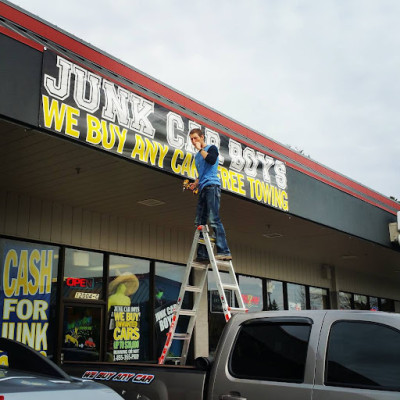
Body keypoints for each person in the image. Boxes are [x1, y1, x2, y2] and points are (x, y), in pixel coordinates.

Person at [188, 128, 232, 262]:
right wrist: (195, 183)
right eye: (191, 139)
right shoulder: (197, 157)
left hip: (212, 186)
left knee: (213, 219)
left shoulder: (211, 148)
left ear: (202, 137)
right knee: (200, 223)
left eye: (195, 138)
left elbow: (212, 160)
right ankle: (202, 255)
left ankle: (224, 251)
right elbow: (202, 173)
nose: (193, 141)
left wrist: (200, 149)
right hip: (203, 188)